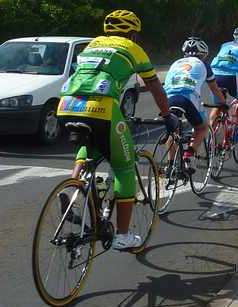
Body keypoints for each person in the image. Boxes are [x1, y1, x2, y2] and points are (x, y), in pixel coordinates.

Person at [57, 9, 171, 250]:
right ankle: (122, 235)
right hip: (102, 109)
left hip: (66, 105)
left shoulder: (93, 44)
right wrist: (167, 115)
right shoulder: (132, 48)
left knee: (90, 148)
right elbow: (154, 86)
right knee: (124, 168)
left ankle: (74, 189)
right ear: (132, 33)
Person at [163, 37, 228, 163]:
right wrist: (223, 103)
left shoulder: (175, 63)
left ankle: (170, 166)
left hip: (168, 98)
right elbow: (214, 89)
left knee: (173, 131)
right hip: (188, 98)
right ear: (203, 54)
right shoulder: (204, 65)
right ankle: (189, 154)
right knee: (202, 127)